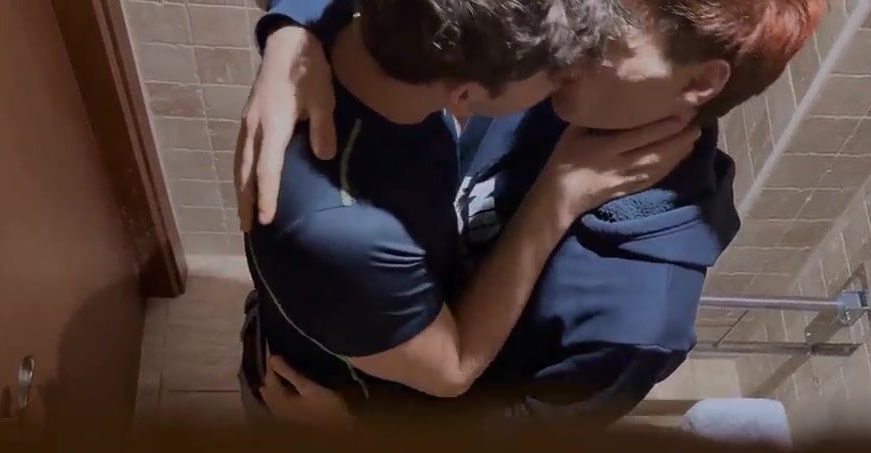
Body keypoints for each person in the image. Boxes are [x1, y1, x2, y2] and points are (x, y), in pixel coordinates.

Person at [238, 0, 825, 428]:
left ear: (699, 82)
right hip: (324, 325)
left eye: (606, 32)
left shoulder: (637, 318)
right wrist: (296, 31)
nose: (571, 30)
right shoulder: (548, 67)